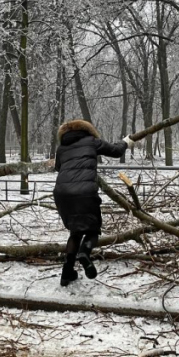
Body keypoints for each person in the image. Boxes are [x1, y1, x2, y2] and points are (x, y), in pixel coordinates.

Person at [52, 120, 138, 286]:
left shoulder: (61, 148)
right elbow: (116, 151)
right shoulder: (91, 141)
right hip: (85, 192)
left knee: (75, 232)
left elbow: (58, 168)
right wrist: (126, 141)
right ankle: (84, 253)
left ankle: (67, 273)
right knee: (92, 230)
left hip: (62, 193)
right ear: (87, 130)